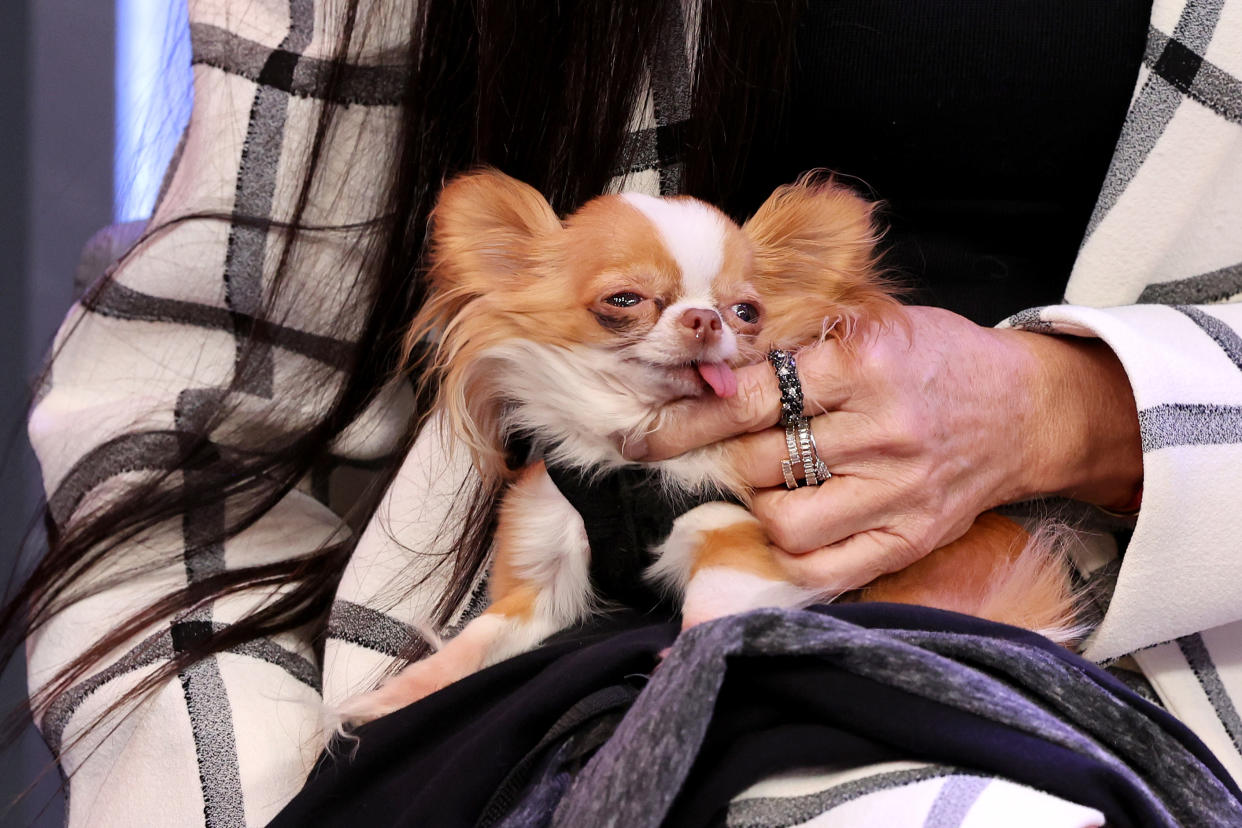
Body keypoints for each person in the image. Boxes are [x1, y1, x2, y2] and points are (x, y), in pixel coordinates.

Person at [10, 0, 1242, 824]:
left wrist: (1082, 411)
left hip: (1150, 663)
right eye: (624, 309)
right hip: (480, 703)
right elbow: (197, 434)